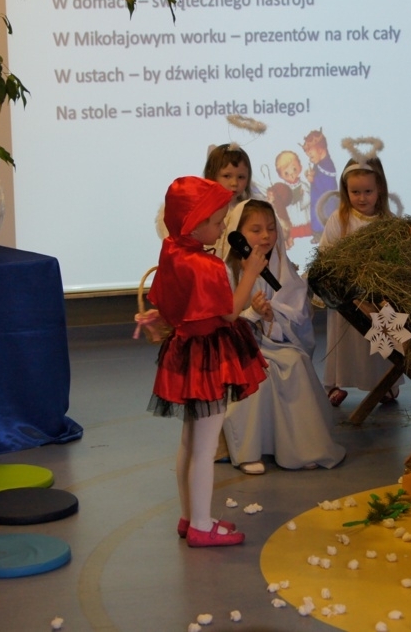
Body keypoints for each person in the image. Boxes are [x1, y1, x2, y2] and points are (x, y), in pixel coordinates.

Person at [148, 176, 270, 547]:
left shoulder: (172, 251)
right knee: (205, 446)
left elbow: (169, 303)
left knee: (190, 441)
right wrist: (250, 273)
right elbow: (231, 313)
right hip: (209, 358)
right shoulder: (207, 265)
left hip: (186, 353)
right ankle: (201, 525)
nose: (221, 229)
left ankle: (190, 516)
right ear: (194, 225)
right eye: (217, 223)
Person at [215, 200, 345, 475]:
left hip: (274, 342)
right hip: (237, 346)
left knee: (294, 363)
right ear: (238, 233)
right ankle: (248, 451)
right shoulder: (226, 271)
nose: (265, 236)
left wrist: (271, 316)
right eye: (256, 230)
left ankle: (303, 447)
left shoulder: (282, 268)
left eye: (271, 229)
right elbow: (223, 319)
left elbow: (297, 313)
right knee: (258, 375)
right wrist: (253, 312)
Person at [319, 156, 398, 408]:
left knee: (377, 343)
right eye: (355, 192)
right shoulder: (339, 219)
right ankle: (335, 384)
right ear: (346, 190)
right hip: (346, 297)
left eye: (368, 192)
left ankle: (383, 384)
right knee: (344, 342)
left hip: (376, 295)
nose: (362, 198)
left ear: (380, 189)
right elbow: (325, 253)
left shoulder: (388, 222)